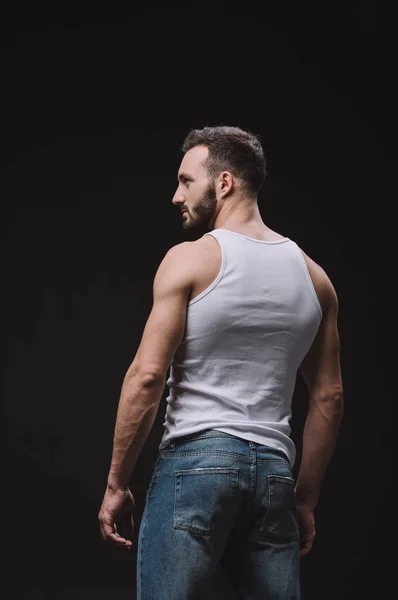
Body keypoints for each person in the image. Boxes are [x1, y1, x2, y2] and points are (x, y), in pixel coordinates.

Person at [98, 125, 344, 599]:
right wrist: (305, 499)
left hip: (196, 463)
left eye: (186, 181)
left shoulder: (190, 260)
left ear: (224, 182)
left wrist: (116, 483)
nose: (176, 196)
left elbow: (148, 377)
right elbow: (329, 397)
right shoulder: (316, 279)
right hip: (275, 474)